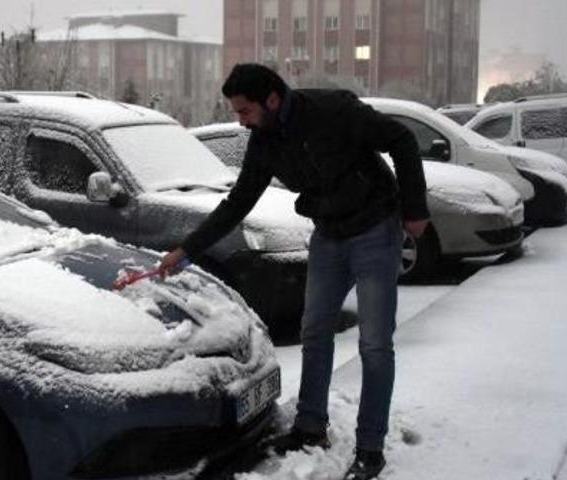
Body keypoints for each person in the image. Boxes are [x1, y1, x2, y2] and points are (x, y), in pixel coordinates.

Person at [158, 64, 429, 480]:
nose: (241, 121)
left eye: (244, 111)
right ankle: (310, 427)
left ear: (272, 98)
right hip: (329, 234)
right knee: (314, 331)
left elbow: (402, 139)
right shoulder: (264, 140)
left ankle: (370, 448)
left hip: (375, 227)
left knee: (374, 344)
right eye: (236, 113)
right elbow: (239, 200)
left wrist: (414, 209)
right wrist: (186, 249)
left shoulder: (332, 110)